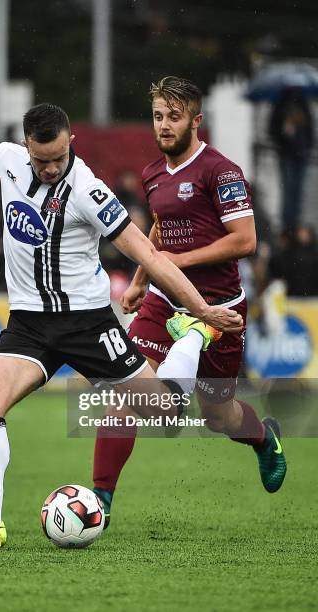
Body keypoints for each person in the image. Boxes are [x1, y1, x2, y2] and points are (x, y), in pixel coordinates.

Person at [0, 72, 243, 547]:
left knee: (165, 411)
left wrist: (204, 313)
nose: (50, 168)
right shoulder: (7, 161)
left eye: (59, 158)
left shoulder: (90, 191)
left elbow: (148, 257)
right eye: (41, 160)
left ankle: (192, 335)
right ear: (26, 147)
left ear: (73, 143)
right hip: (28, 323)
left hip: (87, 323)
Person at [92, 76, 287, 528]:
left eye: (174, 117)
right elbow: (159, 228)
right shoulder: (152, 174)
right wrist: (143, 277)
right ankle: (100, 501)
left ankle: (264, 439)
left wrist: (178, 260)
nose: (164, 125)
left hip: (220, 308)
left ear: (196, 121)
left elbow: (245, 240)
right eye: (158, 116)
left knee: (218, 417)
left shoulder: (222, 172)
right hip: (164, 302)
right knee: (126, 393)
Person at [269, 86, 314, 232]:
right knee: (289, 190)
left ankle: (294, 223)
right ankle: (288, 224)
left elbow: (310, 131)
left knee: (296, 190)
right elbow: (273, 130)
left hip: (299, 154)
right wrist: (284, 134)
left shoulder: (302, 104)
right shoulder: (281, 105)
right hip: (288, 154)